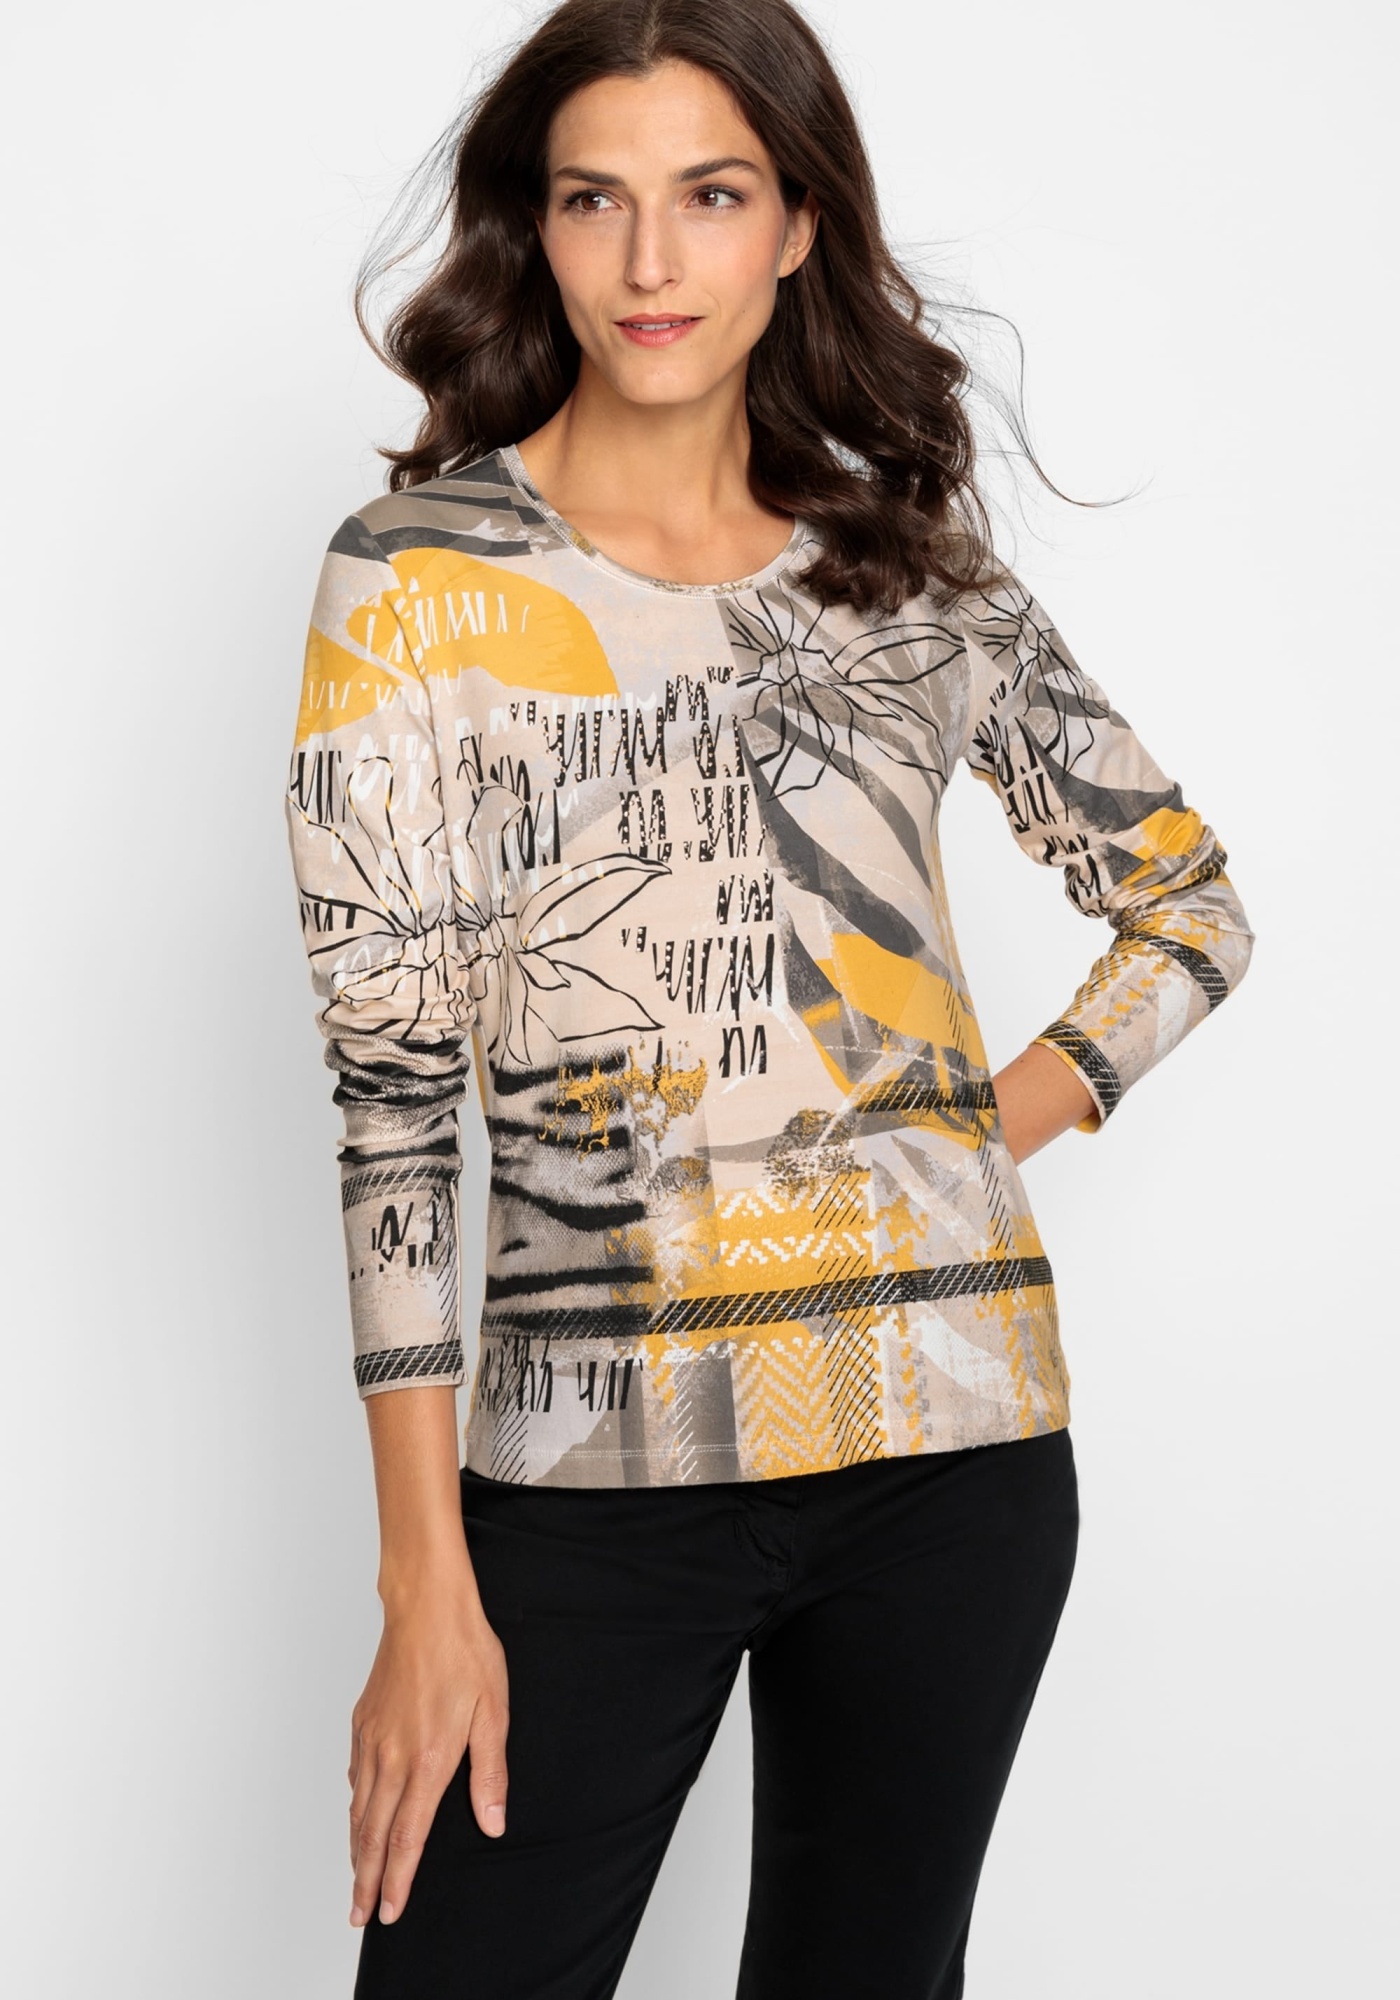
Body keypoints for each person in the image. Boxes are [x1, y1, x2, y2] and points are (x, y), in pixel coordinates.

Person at [283, 1, 1255, 1992]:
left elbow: (1188, 905)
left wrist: (971, 1132)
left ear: (797, 224)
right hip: (584, 1479)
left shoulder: (908, 576)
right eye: (595, 200)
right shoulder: (413, 580)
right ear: (537, 227)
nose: (652, 261)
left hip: (949, 1458)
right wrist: (423, 1581)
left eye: (711, 197)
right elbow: (392, 1102)